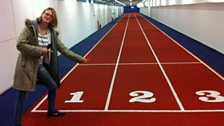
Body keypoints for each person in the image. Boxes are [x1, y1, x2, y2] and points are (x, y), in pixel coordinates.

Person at [13, 7, 86, 126]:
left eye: (50, 16)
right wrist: (41, 50)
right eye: (46, 14)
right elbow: (20, 45)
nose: (47, 16)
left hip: (40, 66)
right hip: (27, 67)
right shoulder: (29, 28)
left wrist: (79, 59)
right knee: (22, 97)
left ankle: (51, 110)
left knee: (52, 86)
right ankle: (16, 123)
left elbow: (63, 49)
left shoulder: (51, 33)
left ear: (53, 20)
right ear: (42, 14)